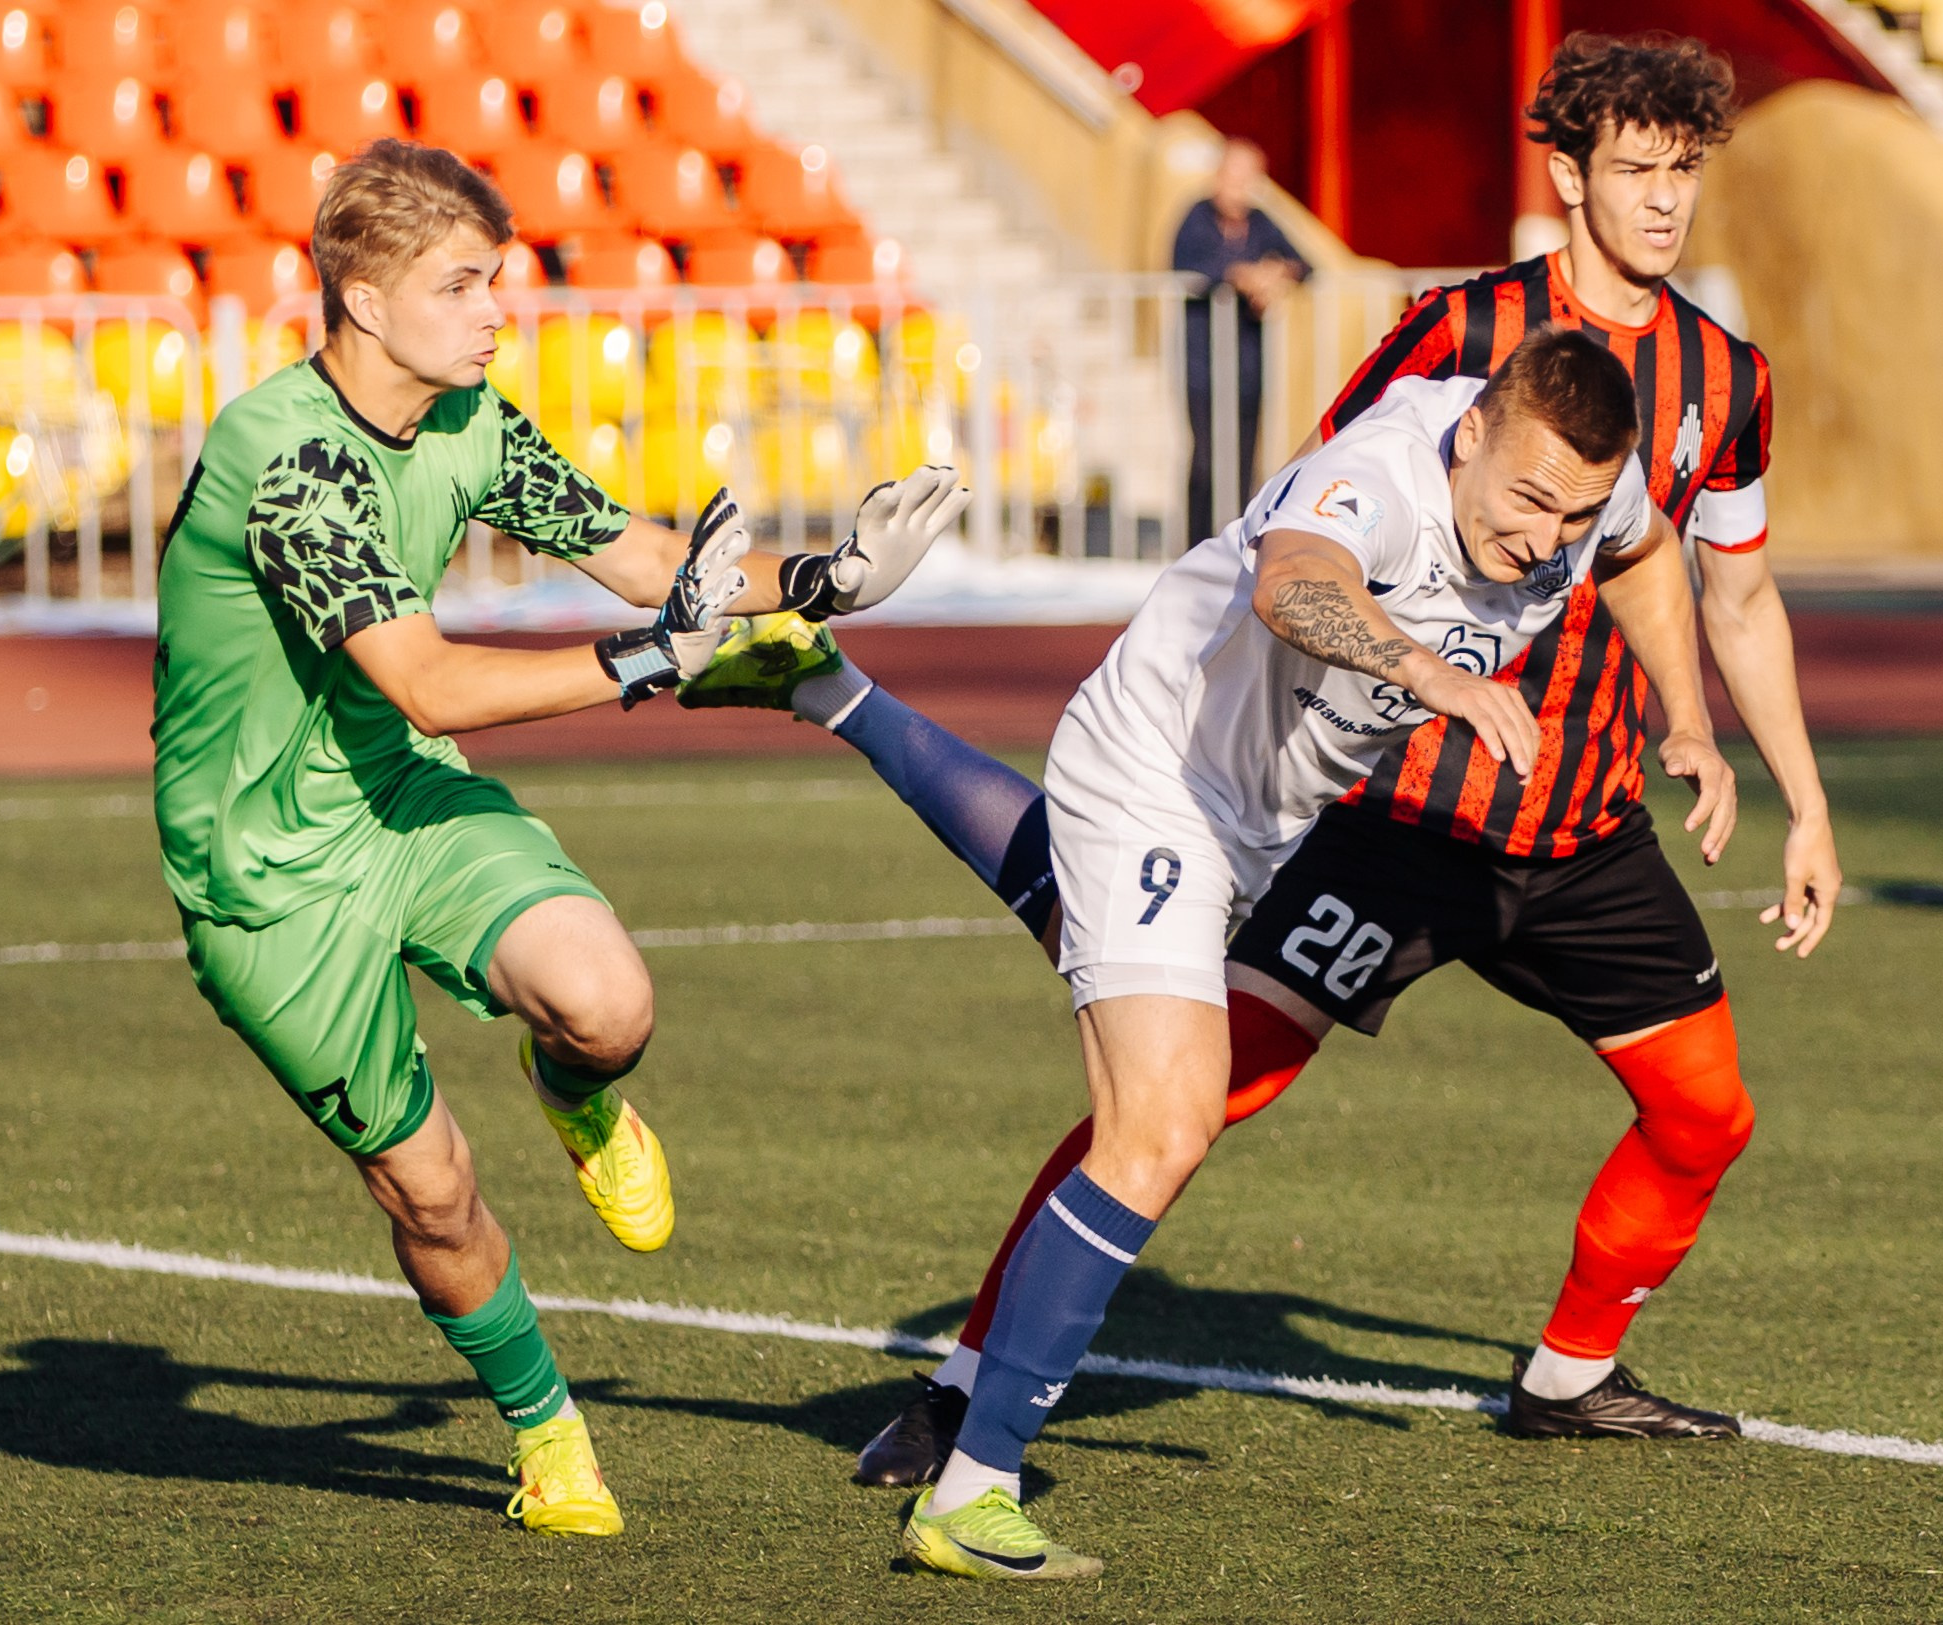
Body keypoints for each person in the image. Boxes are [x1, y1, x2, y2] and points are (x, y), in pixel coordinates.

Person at [683, 31, 1838, 1492]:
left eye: (1684, 173)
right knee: (1174, 1102)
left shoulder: (1718, 380)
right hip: (1387, 811)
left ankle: (1569, 1374)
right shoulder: (1459, 336)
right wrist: (1417, 670)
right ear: (1567, 175)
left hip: (1584, 826)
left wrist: (1749, 760)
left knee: (1704, 1111)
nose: (1665, 201)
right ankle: (965, 1391)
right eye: (1635, 170)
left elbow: (1685, 569)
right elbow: (1316, 532)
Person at [152, 139, 966, 1538]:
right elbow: (429, 679)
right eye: (462, 285)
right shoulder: (280, 457)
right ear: (360, 301)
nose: (494, 313)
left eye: (497, 281)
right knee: (435, 1195)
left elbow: (658, 562)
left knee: (609, 1002)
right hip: (264, 877)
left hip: (396, 791)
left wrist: (826, 578)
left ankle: (572, 1090)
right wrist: (648, 659)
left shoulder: (469, 421)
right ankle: (545, 1427)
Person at [900, 329, 1696, 1578]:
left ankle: (825, 686)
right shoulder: (1384, 470)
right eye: (1531, 500)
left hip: (1256, 818)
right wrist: (1424, 668)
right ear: (1471, 432)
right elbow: (1294, 584)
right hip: (1152, 771)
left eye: (1573, 510)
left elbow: (1640, 549)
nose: (1548, 537)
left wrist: (1688, 716)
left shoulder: (1585, 493)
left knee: (1066, 919)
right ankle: (974, 1480)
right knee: (1161, 1122)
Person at [1175, 137, 1310, 544]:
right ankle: (1197, 545)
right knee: (1206, 461)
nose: (1239, 186)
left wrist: (1275, 272)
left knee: (1245, 460)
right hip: (1204, 361)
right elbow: (1185, 265)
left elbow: (1305, 265)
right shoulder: (1196, 218)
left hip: (1248, 362)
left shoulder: (1262, 222)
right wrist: (1239, 275)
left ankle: (1235, 542)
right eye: (1234, 176)